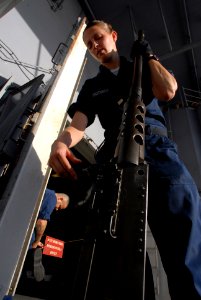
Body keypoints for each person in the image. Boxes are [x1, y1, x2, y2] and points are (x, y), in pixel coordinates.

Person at [48, 20, 201, 299]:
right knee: (120, 245)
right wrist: (60, 142)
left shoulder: (140, 67)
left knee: (184, 233)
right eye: (89, 44)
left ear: (113, 36)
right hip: (117, 159)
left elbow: (167, 91)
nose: (95, 45)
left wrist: (149, 55)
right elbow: (78, 126)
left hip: (157, 148)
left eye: (98, 38)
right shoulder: (93, 87)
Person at [28, 188, 69, 282]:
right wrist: (36, 242)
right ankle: (29, 267)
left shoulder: (45, 191)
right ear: (60, 199)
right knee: (31, 246)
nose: (57, 209)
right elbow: (42, 222)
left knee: (33, 238)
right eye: (59, 207)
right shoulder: (52, 198)